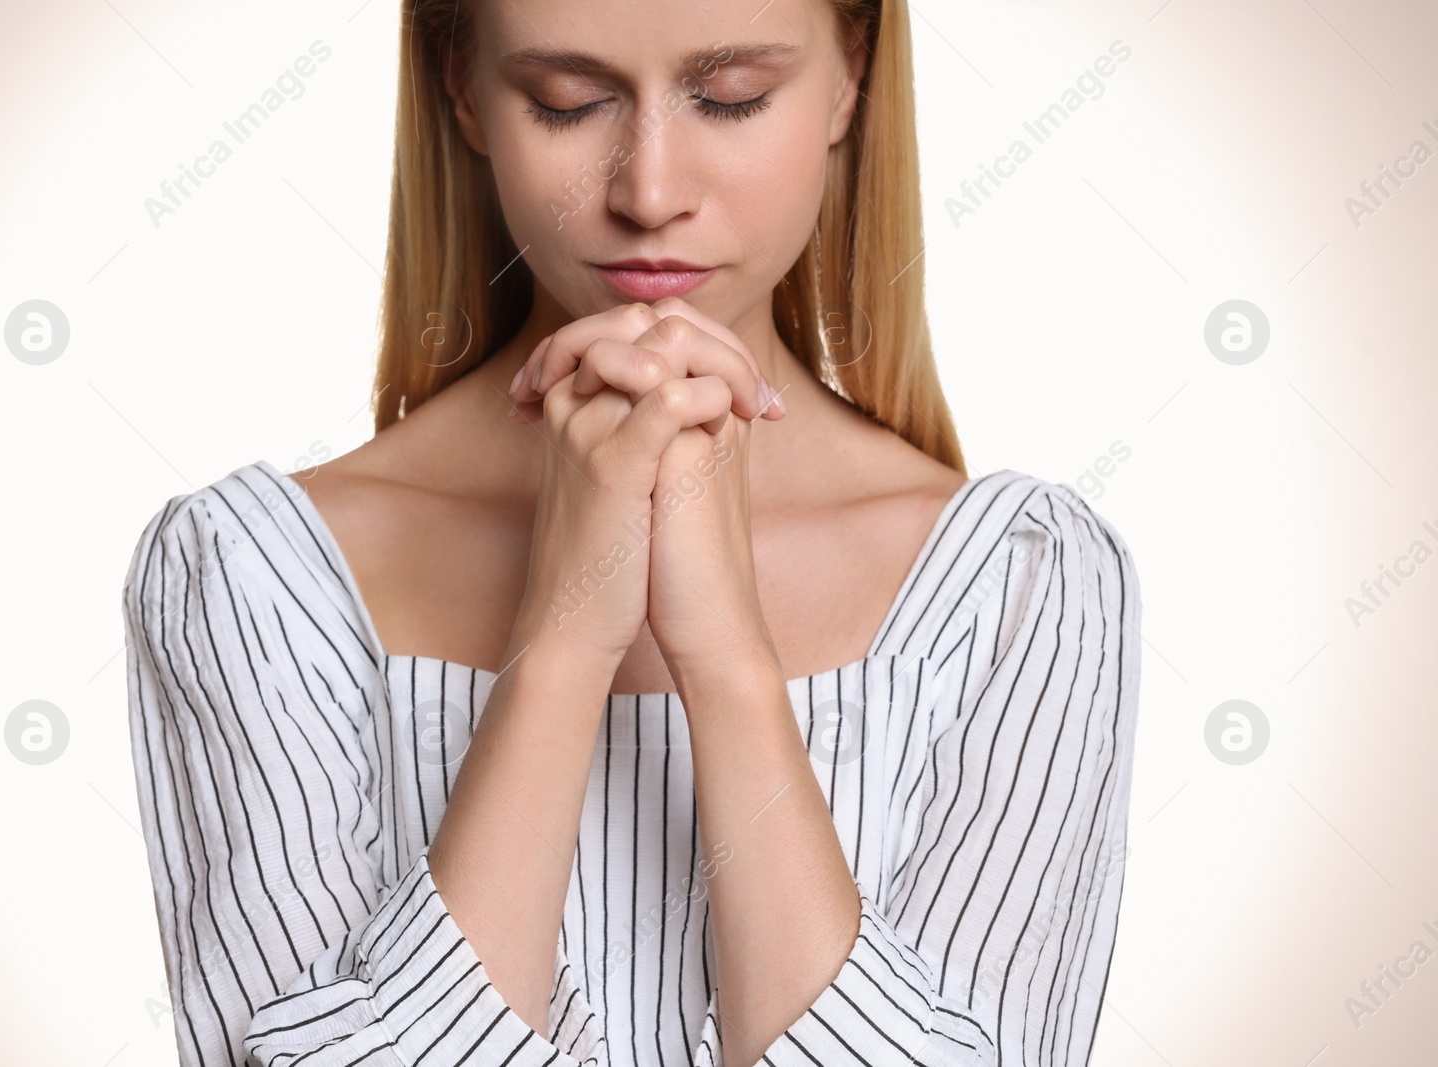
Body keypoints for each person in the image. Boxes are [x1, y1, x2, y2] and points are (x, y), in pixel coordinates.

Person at [121, 1, 1143, 1064]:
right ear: (465, 93)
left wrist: (728, 662)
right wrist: (560, 646)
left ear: (849, 78)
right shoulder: (253, 574)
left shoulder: (1021, 582)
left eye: (730, 97)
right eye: (566, 103)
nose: (649, 193)